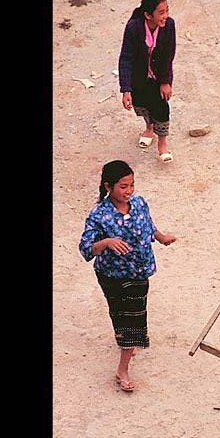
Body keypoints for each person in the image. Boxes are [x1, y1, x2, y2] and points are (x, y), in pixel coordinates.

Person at [78, 160, 176, 391]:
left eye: (131, 185)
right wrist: (106, 242)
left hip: (139, 271)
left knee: (131, 317)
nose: (129, 191)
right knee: (123, 316)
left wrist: (161, 237)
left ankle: (124, 360)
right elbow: (85, 248)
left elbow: (148, 225)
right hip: (112, 276)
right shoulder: (99, 216)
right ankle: (124, 358)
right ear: (108, 186)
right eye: (123, 186)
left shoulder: (139, 203)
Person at [118, 0, 177, 163]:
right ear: (148, 15)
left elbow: (168, 55)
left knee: (161, 105)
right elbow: (126, 57)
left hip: (158, 75)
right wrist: (126, 89)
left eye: (167, 10)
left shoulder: (169, 26)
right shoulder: (133, 28)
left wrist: (165, 81)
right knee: (142, 103)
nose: (166, 16)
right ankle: (148, 128)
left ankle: (162, 145)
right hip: (139, 76)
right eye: (161, 12)